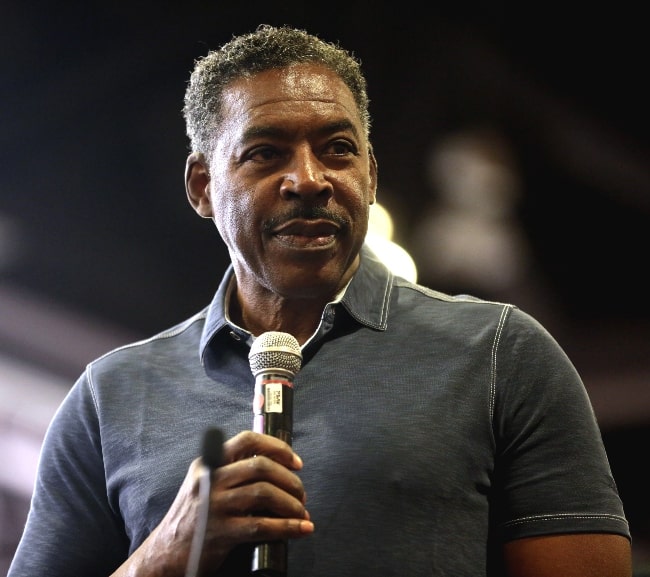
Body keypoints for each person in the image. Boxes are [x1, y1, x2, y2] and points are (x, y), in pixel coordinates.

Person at [8, 24, 632, 577]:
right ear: (202, 186)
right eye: (265, 153)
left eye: (337, 149)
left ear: (371, 176)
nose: (308, 178)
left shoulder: (501, 354)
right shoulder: (109, 394)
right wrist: (167, 551)